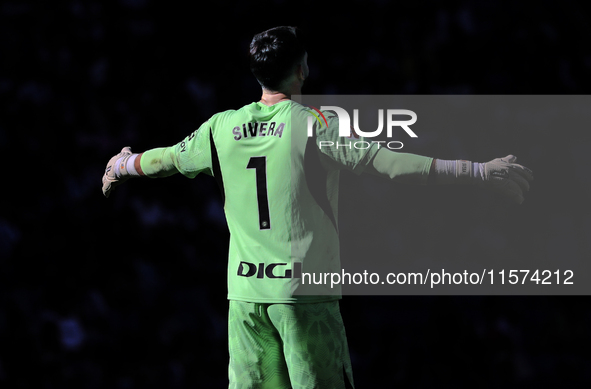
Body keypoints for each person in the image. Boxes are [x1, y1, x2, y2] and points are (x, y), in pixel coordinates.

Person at [102, 26, 533, 389]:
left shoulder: (221, 127)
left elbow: (166, 160)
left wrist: (122, 164)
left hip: (246, 300)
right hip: (304, 299)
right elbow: (390, 164)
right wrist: (476, 171)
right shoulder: (314, 125)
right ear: (303, 68)